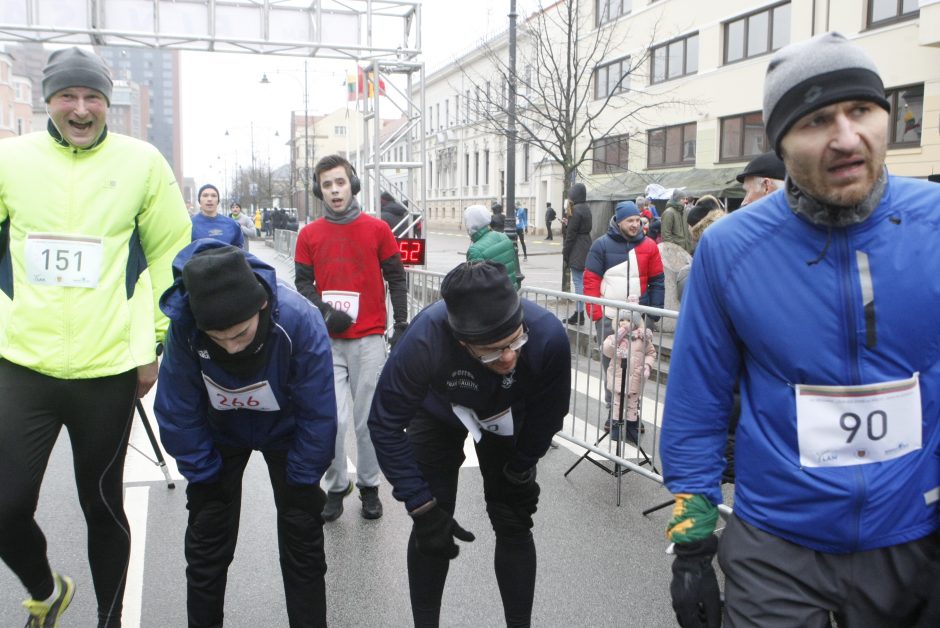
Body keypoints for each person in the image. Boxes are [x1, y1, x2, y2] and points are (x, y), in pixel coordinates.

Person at [661, 32, 940, 628]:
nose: (846, 137)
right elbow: (697, 404)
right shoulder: (730, 249)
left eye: (862, 110)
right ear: (780, 145)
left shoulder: (935, 225)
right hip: (778, 544)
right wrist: (690, 545)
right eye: (815, 120)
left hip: (914, 536)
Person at [0, 46, 191, 628]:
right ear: (47, 102)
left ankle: (109, 619)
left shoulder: (143, 162)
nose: (81, 109)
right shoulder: (11, 159)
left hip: (108, 366)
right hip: (22, 362)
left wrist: (155, 344)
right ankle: (46, 588)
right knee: (5, 505)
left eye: (93, 98)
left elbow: (169, 256)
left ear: (107, 104)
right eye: (68, 97)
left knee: (103, 507)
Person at [368, 260, 571, 628]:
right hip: (438, 411)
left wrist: (522, 465)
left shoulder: (548, 336)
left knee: (512, 519)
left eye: (514, 342)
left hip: (507, 413)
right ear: (463, 342)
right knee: (431, 524)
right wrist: (419, 503)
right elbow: (384, 423)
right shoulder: (425, 338)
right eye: (492, 352)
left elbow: (549, 414)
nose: (509, 357)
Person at [154, 241, 337, 628]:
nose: (231, 348)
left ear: (262, 306)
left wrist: (304, 479)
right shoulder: (186, 325)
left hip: (287, 432)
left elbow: (318, 411)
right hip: (220, 433)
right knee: (206, 544)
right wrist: (202, 474)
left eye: (239, 335)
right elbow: (177, 409)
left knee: (303, 541)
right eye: (218, 339)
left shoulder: (299, 320)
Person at [293, 154, 409, 521]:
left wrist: (402, 323)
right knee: (332, 419)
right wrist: (326, 312)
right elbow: (302, 283)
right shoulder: (309, 235)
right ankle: (336, 485)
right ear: (319, 191)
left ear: (353, 185)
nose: (334, 190)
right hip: (327, 342)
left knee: (366, 420)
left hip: (369, 339)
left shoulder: (377, 230)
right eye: (327, 185)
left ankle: (370, 486)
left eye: (340, 182)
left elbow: (396, 277)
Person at [583, 200, 665, 402]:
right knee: (611, 368)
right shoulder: (600, 245)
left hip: (640, 320)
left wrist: (653, 314)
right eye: (630, 220)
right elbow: (591, 280)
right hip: (610, 317)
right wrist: (597, 315)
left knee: (637, 370)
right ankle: (613, 412)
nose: (636, 224)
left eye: (638, 220)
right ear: (618, 221)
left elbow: (657, 281)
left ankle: (632, 415)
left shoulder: (650, 246)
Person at [601, 297, 657, 443]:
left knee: (633, 404)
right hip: (619, 376)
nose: (623, 323)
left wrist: (647, 365)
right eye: (621, 320)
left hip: (635, 377)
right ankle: (615, 426)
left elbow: (651, 353)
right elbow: (606, 350)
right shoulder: (614, 337)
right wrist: (617, 338)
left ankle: (631, 427)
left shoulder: (643, 339)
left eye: (627, 320)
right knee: (617, 403)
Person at [463, 205, 521, 289]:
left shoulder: (475, 250)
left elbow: (475, 285)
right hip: (512, 296)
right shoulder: (504, 237)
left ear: (470, 224)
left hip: (492, 300)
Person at [561, 183, 593, 326]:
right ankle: (579, 313)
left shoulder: (574, 210)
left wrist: (565, 252)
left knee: (578, 282)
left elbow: (571, 235)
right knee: (581, 281)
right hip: (586, 243)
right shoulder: (586, 208)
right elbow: (581, 227)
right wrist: (570, 223)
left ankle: (579, 314)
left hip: (577, 248)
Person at [191, 184, 244, 249]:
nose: (209, 199)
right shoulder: (190, 225)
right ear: (199, 200)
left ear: (218, 200)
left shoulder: (232, 225)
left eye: (213, 196)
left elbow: (239, 250)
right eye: (205, 195)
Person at [660, 189, 692, 254]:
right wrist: (673, 250)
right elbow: (666, 234)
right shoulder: (669, 213)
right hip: (676, 251)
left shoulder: (684, 211)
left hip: (686, 250)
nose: (685, 201)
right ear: (678, 199)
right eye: (683, 199)